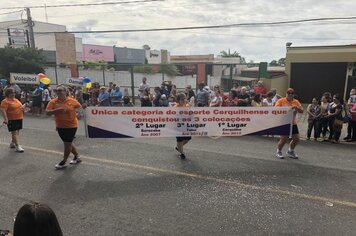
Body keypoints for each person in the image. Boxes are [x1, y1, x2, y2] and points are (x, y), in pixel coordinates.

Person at [46, 86, 83, 169]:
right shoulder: (53, 102)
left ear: (65, 92)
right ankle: (77, 157)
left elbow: (79, 106)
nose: (58, 92)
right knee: (68, 143)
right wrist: (57, 110)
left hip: (72, 125)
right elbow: (47, 112)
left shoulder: (71, 100)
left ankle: (63, 161)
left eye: (60, 90)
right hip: (60, 126)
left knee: (67, 144)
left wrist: (79, 113)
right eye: (57, 91)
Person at [275, 88, 304, 159]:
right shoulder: (281, 101)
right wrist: (290, 108)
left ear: (293, 94)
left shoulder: (296, 101)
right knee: (284, 139)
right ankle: (278, 151)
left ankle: (290, 151)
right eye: (289, 93)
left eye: (292, 93)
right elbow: (276, 110)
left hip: (292, 123)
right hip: (283, 122)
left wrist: (297, 108)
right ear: (286, 94)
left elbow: (302, 111)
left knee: (296, 138)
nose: (290, 94)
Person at [0, 88, 25, 152]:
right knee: (14, 132)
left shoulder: (16, 100)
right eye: (12, 93)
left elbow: (20, 107)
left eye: (14, 93)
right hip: (11, 119)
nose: (13, 94)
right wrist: (6, 119)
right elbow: (3, 111)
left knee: (17, 132)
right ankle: (18, 146)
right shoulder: (5, 101)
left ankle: (12, 143)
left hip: (19, 117)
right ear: (8, 94)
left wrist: (23, 108)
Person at [174, 93, 191, 159]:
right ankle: (182, 153)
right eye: (182, 99)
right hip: (178, 126)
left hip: (186, 126)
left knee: (188, 138)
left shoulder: (186, 105)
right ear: (178, 100)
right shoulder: (176, 107)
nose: (184, 100)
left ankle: (179, 147)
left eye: (184, 99)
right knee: (180, 140)